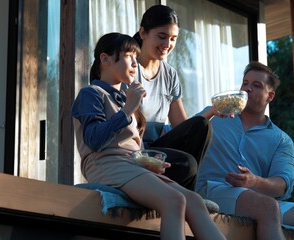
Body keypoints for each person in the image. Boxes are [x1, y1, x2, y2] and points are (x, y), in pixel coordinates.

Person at [72, 32, 225, 240]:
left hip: (130, 165)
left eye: (136, 58)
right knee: (174, 201)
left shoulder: (126, 100)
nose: (135, 63)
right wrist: (127, 111)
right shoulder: (91, 94)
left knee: (195, 201)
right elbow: (94, 141)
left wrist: (149, 162)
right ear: (105, 59)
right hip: (105, 164)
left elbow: (134, 147)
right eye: (129, 56)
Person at [195, 61, 294, 240]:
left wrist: (254, 181)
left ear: (270, 96)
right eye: (245, 83)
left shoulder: (281, 140)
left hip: (259, 201)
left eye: (256, 85)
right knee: (266, 206)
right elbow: (182, 133)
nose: (248, 89)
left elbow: (282, 185)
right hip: (211, 190)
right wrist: (208, 114)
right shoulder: (216, 115)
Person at [129, 5, 221, 190]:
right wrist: (142, 155)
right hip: (132, 151)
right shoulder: (128, 68)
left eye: (173, 39)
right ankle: (188, 197)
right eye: (162, 36)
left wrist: (213, 111)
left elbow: (182, 126)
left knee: (201, 126)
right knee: (187, 164)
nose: (167, 44)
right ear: (143, 33)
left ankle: (188, 197)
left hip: (157, 149)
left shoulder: (170, 74)